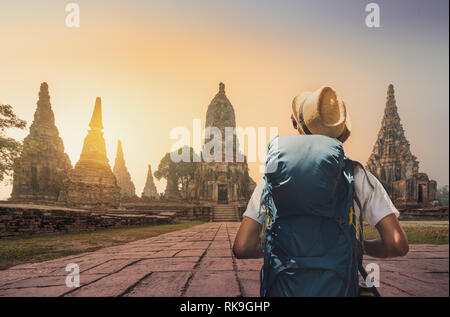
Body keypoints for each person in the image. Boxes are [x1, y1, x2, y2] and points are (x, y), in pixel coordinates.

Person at [232, 86, 409, 296]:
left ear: (299, 129)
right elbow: (397, 244)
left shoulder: (273, 177)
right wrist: (359, 245)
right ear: (340, 136)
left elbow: (242, 247)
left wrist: (274, 248)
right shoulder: (358, 177)